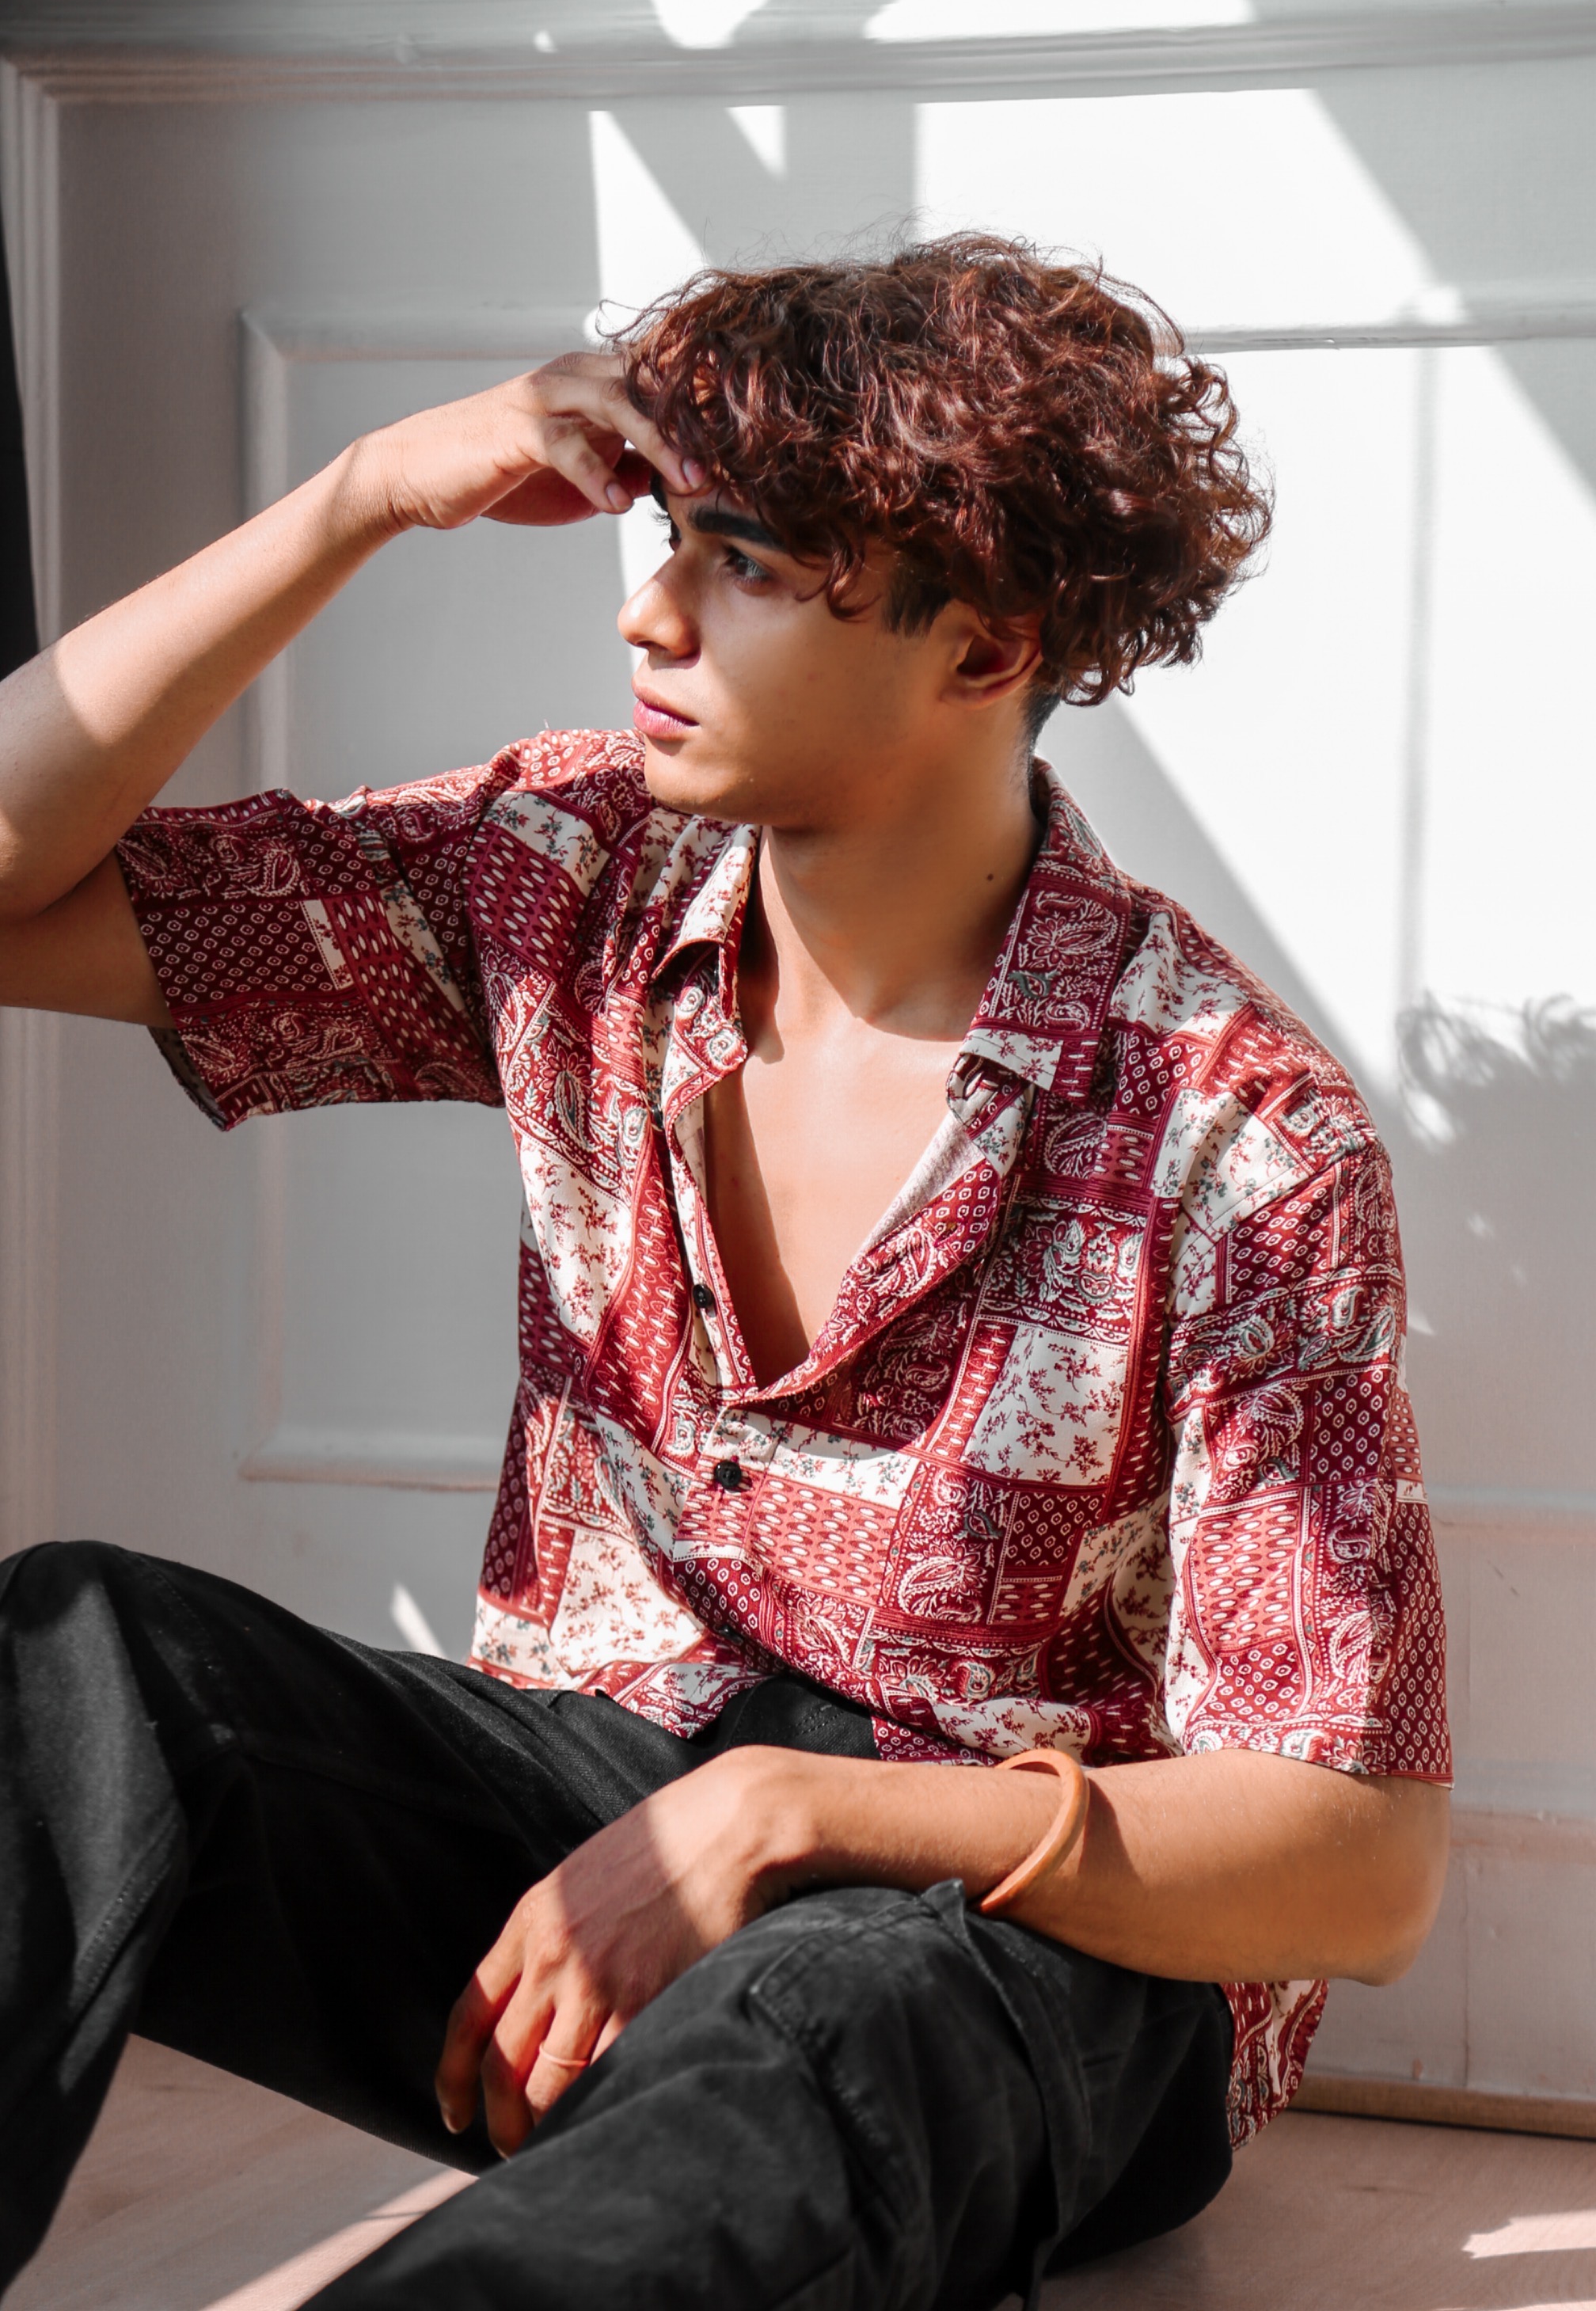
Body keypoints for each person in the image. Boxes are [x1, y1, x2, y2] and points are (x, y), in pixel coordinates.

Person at [0, 237, 1450, 2311]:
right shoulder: (570, 880)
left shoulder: (1231, 1129)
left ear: (985, 644)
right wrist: (359, 499)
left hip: (1013, 1944)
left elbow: (1362, 1864)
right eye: (668, 533)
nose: (648, 609)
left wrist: (789, 1812)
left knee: (816, 2016)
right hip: (595, 1864)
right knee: (71, 1666)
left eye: (746, 564)